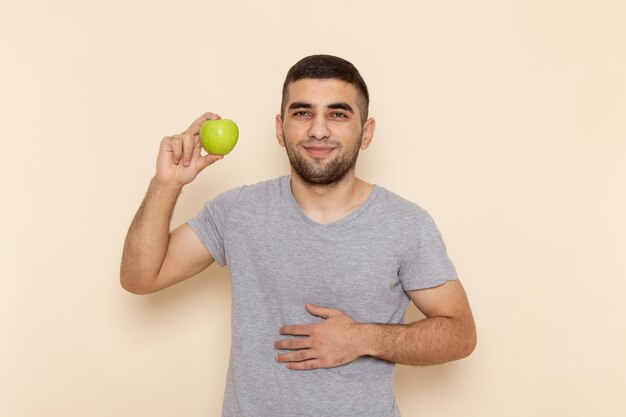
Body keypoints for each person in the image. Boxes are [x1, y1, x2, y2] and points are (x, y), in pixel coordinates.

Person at [120, 54, 476, 417]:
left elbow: (460, 334)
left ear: (366, 132)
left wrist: (360, 338)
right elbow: (140, 277)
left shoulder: (405, 224)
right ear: (280, 128)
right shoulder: (238, 211)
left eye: (338, 114)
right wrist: (166, 184)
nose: (318, 130)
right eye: (302, 113)